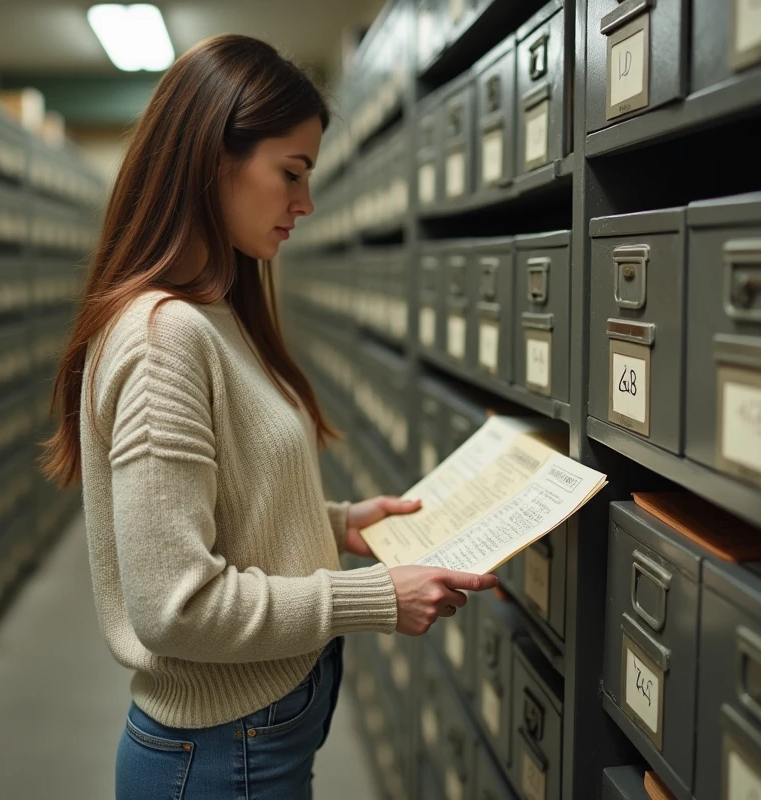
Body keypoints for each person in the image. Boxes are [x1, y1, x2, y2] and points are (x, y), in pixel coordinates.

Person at [42, 33, 499, 799]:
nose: (305, 204)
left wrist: (337, 524)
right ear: (212, 157)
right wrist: (375, 598)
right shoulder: (163, 339)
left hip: (252, 737)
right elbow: (176, 607)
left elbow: (223, 499)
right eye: (291, 172)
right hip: (221, 755)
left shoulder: (213, 314)